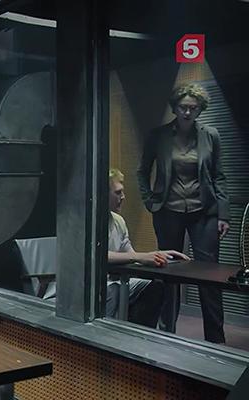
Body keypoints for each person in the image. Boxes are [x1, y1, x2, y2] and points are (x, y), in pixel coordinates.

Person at [137, 83, 229, 343]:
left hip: (204, 211)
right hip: (168, 210)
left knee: (209, 274)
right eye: (183, 107)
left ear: (200, 109)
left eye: (193, 108)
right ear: (175, 108)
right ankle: (167, 332)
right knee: (169, 271)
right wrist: (150, 201)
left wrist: (223, 215)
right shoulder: (158, 136)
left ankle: (216, 338)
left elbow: (219, 176)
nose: (187, 112)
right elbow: (142, 171)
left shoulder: (211, 135)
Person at [106, 169, 189, 327]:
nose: (123, 197)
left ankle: (137, 333)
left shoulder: (118, 221)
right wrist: (139, 257)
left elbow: (130, 255)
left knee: (155, 286)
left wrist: (157, 255)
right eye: (118, 192)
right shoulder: (88, 220)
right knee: (114, 291)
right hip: (93, 285)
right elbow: (96, 254)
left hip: (115, 282)